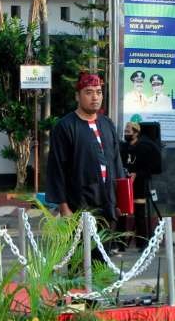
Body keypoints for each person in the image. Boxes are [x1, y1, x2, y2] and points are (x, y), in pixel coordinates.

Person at [47, 72, 124, 230]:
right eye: (89, 92)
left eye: (99, 92)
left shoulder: (107, 124)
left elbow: (117, 163)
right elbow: (57, 169)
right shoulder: (65, 127)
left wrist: (121, 201)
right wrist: (64, 207)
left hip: (108, 204)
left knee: (104, 253)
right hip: (78, 206)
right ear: (77, 96)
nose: (95, 97)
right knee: (81, 254)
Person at [120, 121, 161, 249]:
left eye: (129, 131)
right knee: (122, 215)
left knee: (140, 215)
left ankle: (142, 243)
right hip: (125, 185)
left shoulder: (144, 147)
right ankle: (120, 243)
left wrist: (136, 174)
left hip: (139, 185)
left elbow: (150, 168)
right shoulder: (123, 147)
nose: (126, 134)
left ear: (136, 133)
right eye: (125, 132)